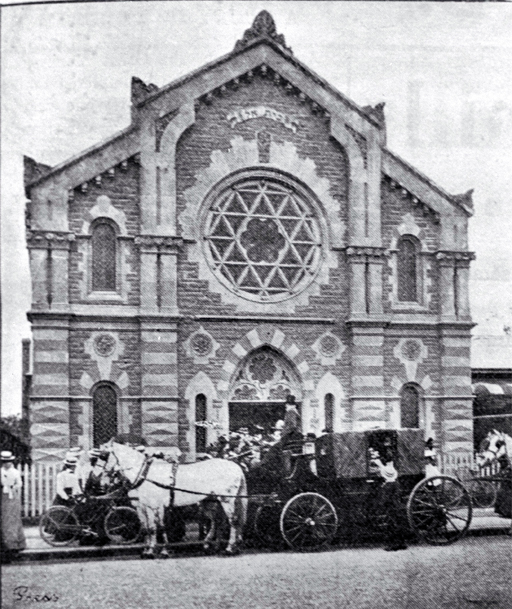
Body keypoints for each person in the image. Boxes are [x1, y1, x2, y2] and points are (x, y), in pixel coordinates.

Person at [369, 443, 408, 552]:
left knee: (392, 525)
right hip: (397, 506)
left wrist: (379, 505)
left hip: (391, 508)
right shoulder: (395, 482)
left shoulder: (386, 485)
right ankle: (402, 543)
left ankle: (393, 545)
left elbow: (383, 500)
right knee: (399, 523)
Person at [1, 451, 26, 562]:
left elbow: (20, 483)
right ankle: (5, 544)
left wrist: (13, 486)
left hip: (12, 496)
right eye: (5, 462)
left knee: (13, 519)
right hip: (2, 496)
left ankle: (15, 544)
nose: (7, 464)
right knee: (4, 520)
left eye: (9, 461)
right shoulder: (0, 471)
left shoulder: (15, 472)